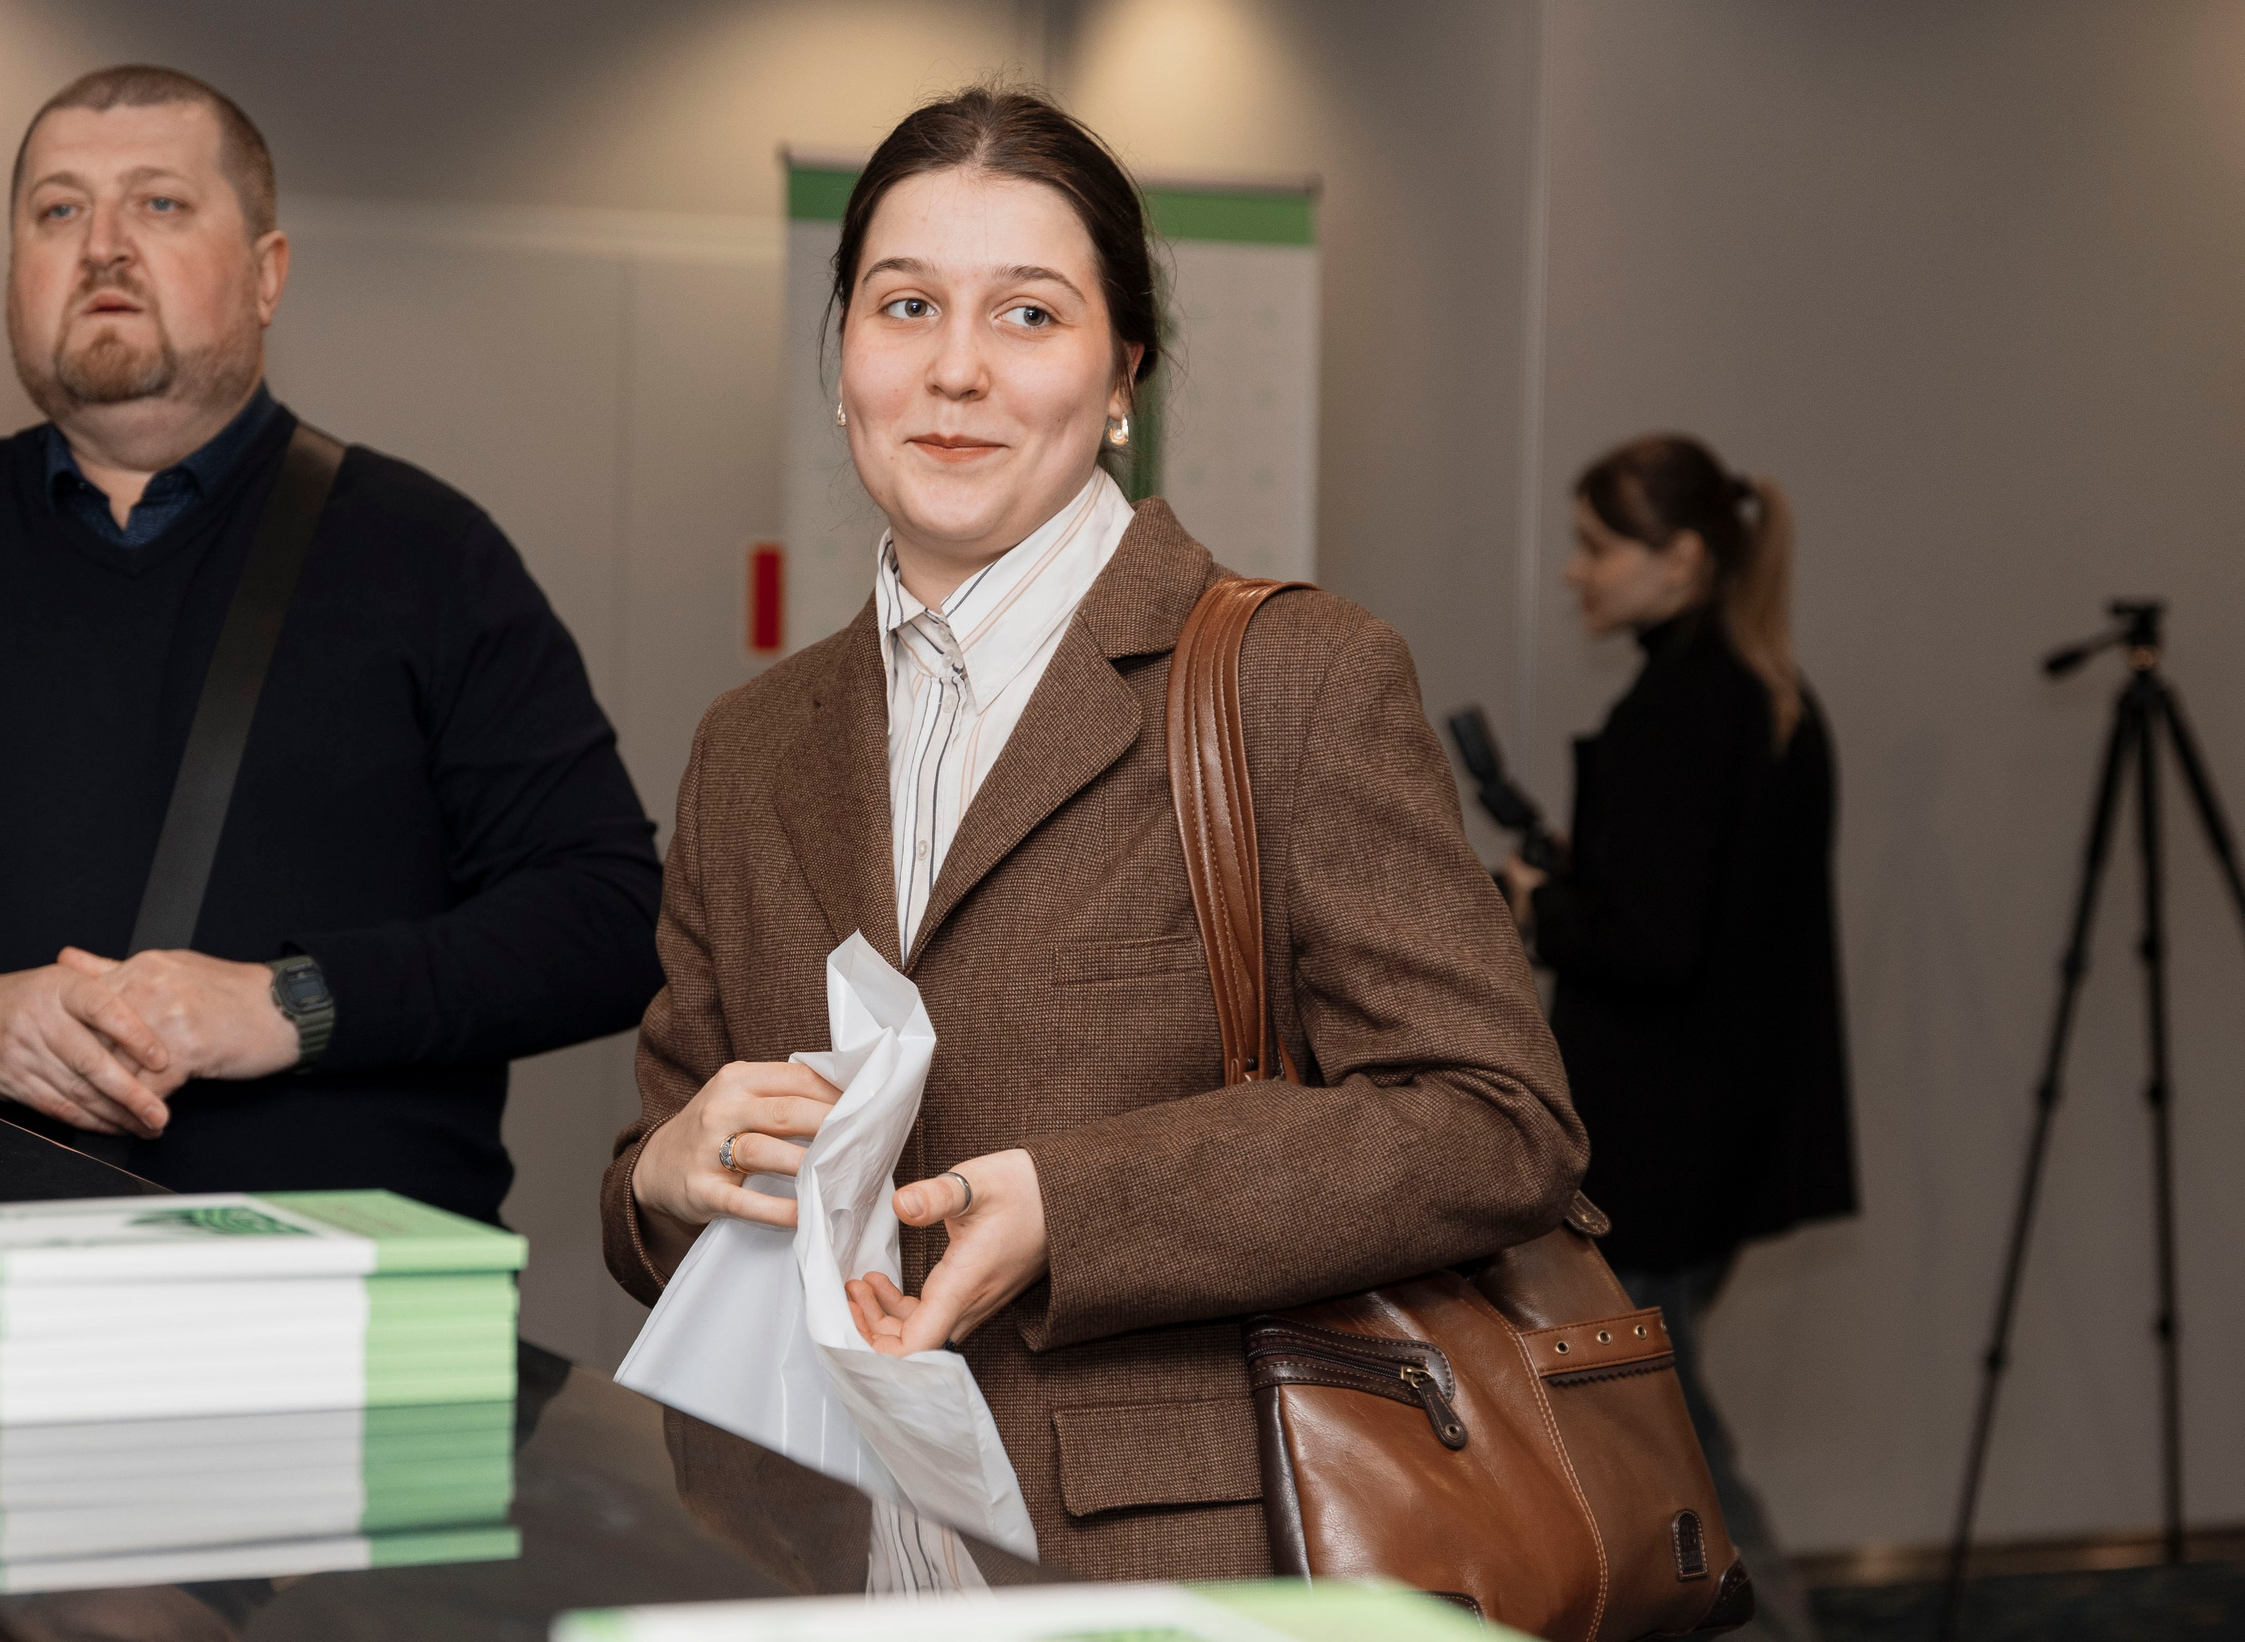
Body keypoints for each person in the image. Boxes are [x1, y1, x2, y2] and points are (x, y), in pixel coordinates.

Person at [601, 87, 1583, 1579]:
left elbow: (1495, 1121)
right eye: (906, 303)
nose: (954, 371)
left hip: (1149, 1556)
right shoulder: (750, 743)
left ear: (1125, 372)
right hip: (817, 1542)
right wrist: (662, 1175)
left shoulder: (1288, 677)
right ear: (840, 356)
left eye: (1030, 316)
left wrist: (1077, 1202)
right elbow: (659, 1194)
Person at [0, 66, 664, 1224]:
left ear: (265, 276)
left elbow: (607, 914)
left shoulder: (426, 554)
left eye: (157, 204)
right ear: (13, 278)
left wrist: (290, 1005)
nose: (101, 245)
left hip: (341, 1311)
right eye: (58, 210)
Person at [1500, 433, 1856, 1642]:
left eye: (1600, 546)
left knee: (1660, 1437)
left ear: (1684, 558)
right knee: (1660, 1419)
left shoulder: (1678, 713)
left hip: (1655, 1141)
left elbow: (1651, 947)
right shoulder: (1772, 706)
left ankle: (1773, 1626)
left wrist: (1543, 908)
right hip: (1724, 1136)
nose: (1574, 573)